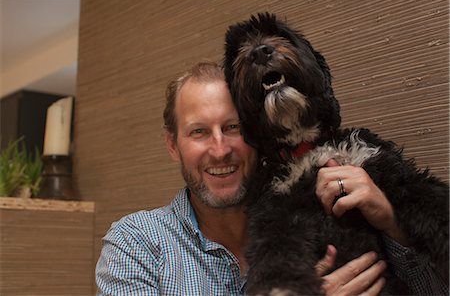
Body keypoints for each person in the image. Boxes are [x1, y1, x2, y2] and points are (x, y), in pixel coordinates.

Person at [96, 62, 447, 295]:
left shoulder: (320, 208)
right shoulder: (137, 244)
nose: (220, 150)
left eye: (233, 128)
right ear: (173, 145)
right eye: (199, 132)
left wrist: (393, 224)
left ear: (259, 134)